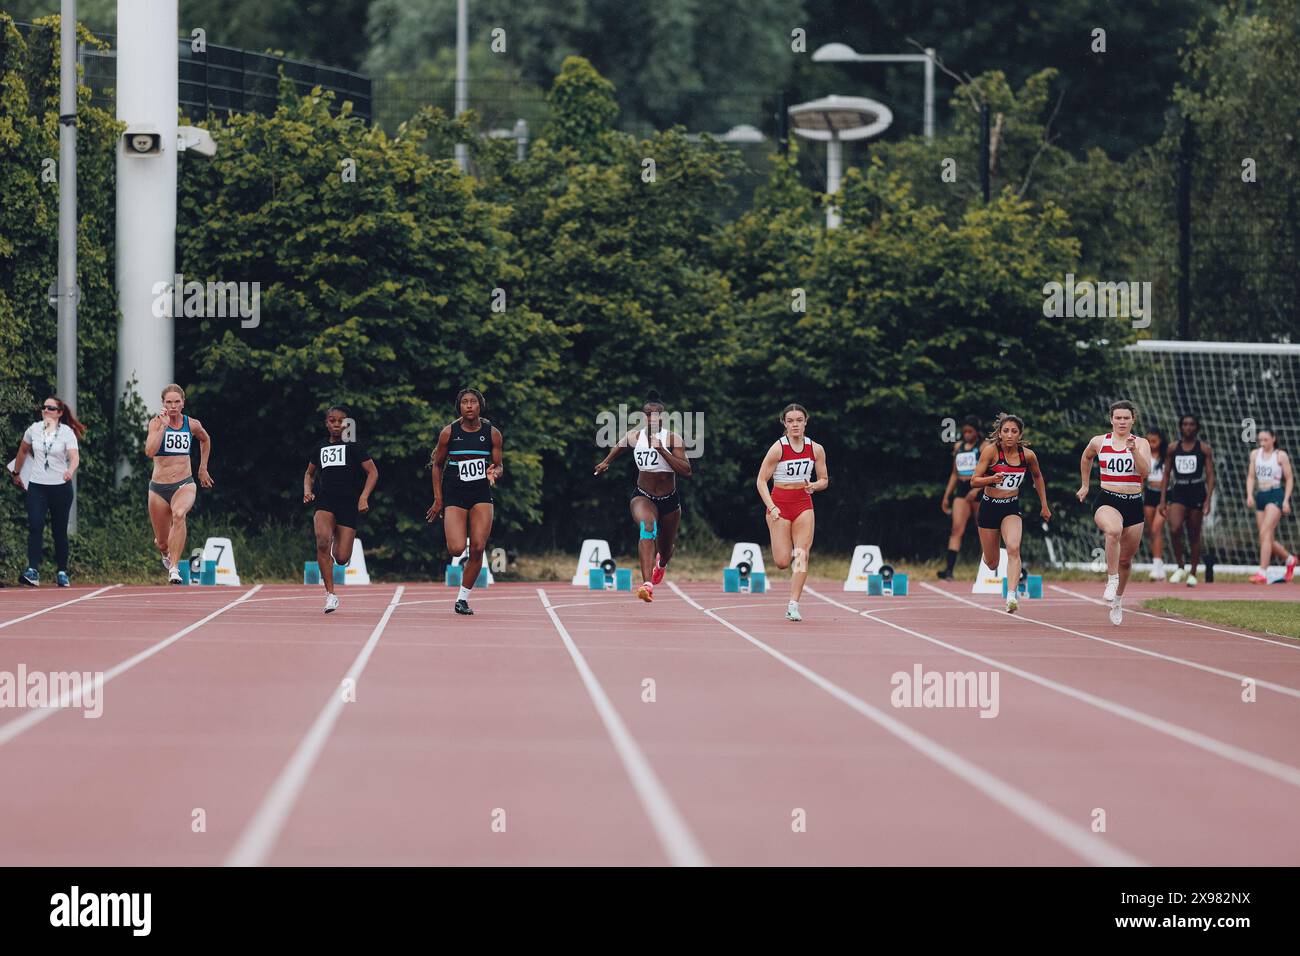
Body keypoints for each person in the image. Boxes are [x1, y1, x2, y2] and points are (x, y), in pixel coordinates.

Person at [593, 392, 690, 603]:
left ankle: (661, 565)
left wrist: (663, 451)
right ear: (643, 416)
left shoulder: (673, 439)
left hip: (669, 500)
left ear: (663, 417)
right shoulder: (634, 436)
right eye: (648, 414)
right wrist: (606, 462)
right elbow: (620, 445)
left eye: (657, 414)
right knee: (647, 527)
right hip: (643, 496)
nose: (652, 417)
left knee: (665, 550)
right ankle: (647, 585)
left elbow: (686, 470)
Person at [427, 389, 503, 615]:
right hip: (455, 492)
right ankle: (458, 536)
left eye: (473, 402)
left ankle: (462, 598)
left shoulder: (493, 434)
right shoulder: (449, 432)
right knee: (457, 548)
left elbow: (498, 465)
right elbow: (437, 465)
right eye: (465, 402)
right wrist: (438, 499)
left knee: (478, 547)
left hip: (480, 492)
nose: (469, 406)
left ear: (480, 406)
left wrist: (494, 473)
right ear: (459, 407)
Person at [1077, 401, 1151, 625]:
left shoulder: (1141, 443)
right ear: (1111, 419)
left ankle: (1118, 600)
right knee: (1113, 531)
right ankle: (1111, 579)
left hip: (1133, 502)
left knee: (1126, 560)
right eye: (1118, 418)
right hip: (1108, 499)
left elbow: (1145, 472)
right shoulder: (1099, 441)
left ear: (1132, 420)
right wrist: (1085, 485)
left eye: (1126, 418)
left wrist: (1134, 451)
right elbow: (1086, 457)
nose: (1121, 422)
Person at [969, 414, 1050, 614]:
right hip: (989, 507)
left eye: (1014, 431)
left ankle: (1012, 596)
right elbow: (974, 480)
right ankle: (990, 554)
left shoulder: (1027, 455)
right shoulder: (991, 452)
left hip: (1010, 507)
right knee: (992, 562)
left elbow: (1038, 477)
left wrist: (1044, 505)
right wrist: (991, 479)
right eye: (1006, 431)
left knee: (1014, 548)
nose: (1009, 435)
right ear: (999, 433)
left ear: (1020, 434)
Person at [756, 403, 828, 621]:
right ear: (784, 424)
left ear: (805, 422)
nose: (795, 425)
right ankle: (792, 600)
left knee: (801, 554)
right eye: (790, 421)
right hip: (779, 504)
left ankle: (793, 604)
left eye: (799, 420)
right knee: (782, 562)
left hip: (803, 504)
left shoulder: (816, 448)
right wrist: (772, 506)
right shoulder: (778, 448)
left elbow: (824, 479)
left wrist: (814, 485)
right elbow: (761, 481)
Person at [304, 407, 377, 613]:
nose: (336, 425)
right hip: (325, 501)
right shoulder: (319, 447)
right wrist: (307, 490)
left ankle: (336, 542)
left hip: (348, 504)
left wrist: (363, 497)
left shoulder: (354, 446)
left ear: (347, 424)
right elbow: (309, 474)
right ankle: (330, 595)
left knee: (342, 557)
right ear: (326, 423)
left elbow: (373, 472)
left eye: (341, 421)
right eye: (332, 421)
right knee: (322, 542)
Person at [9, 396, 84, 587]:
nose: (46, 410)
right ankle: (33, 571)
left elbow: (74, 457)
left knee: (59, 531)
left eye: (50, 408)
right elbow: (23, 451)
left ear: (59, 413)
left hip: (60, 487)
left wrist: (70, 471)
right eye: (44, 407)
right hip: (37, 486)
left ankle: (62, 571)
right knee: (35, 525)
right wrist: (16, 472)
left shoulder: (66, 432)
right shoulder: (33, 429)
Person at [144, 384, 213, 584]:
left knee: (179, 514)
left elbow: (205, 440)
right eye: (169, 402)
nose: (173, 406)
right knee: (162, 542)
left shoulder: (191, 424)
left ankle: (174, 568)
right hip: (158, 488)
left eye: (177, 402)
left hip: (184, 483)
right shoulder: (156, 424)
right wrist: (164, 427)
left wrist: (202, 468)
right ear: (163, 404)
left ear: (182, 403)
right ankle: (166, 553)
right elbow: (149, 451)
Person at [1159, 414, 1215, 587]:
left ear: (1196, 427)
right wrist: (1162, 499)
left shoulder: (1204, 449)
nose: (1188, 427)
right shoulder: (1173, 448)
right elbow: (1167, 474)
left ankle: (1193, 572)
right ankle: (1180, 566)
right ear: (1180, 427)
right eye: (1185, 424)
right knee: (1174, 528)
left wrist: (1208, 499)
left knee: (1194, 533)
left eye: (1191, 424)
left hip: (1197, 491)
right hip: (1179, 491)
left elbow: (1211, 475)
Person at [1245, 427, 1295, 583]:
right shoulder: (1255, 454)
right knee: (1265, 537)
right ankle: (1289, 559)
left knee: (1265, 532)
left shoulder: (1280, 456)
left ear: (1273, 439)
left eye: (1266, 439)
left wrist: (1286, 500)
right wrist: (1249, 495)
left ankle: (1263, 572)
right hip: (1261, 494)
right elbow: (1251, 476)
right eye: (1260, 440)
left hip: (1275, 494)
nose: (1263, 443)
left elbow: (1289, 478)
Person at [938, 416, 984, 579]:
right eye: (964, 431)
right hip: (962, 490)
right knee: (957, 528)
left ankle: (989, 570)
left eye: (970, 431)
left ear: (977, 432)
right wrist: (946, 496)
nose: (966, 435)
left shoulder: (984, 446)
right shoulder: (959, 447)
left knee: (984, 530)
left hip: (979, 489)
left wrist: (978, 490)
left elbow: (989, 472)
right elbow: (954, 473)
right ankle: (949, 569)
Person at [1142, 427, 1168, 580]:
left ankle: (1158, 567)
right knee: (1151, 530)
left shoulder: (1166, 457)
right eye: (1149, 441)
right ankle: (1158, 565)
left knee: (1156, 528)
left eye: (1154, 441)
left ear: (1161, 441)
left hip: (1165, 494)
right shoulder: (1144, 455)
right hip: (1150, 493)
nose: (1151, 444)